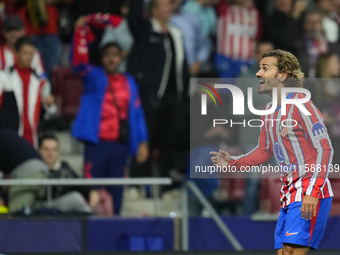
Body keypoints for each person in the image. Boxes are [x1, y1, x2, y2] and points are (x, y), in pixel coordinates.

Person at [211, 49, 333, 254]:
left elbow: (325, 148)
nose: (258, 74)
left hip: (309, 191)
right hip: (289, 192)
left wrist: (312, 191)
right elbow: (264, 151)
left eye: (265, 69)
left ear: (283, 75)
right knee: (284, 253)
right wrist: (234, 163)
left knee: (290, 252)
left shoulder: (301, 104)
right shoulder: (269, 112)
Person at [71, 15, 149, 215]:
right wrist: (79, 32)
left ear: (121, 56)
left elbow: (137, 113)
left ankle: (114, 230)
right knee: (93, 191)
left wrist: (142, 141)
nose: (111, 58)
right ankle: (90, 233)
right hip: (96, 143)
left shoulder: (129, 81)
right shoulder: (93, 76)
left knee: (117, 191)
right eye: (107, 55)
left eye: (115, 54)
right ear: (102, 57)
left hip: (120, 145)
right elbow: (78, 63)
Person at [127, 0, 190, 182]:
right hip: (150, 97)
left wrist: (183, 94)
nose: (170, 8)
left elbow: (181, 67)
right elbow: (133, 15)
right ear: (153, 11)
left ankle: (167, 185)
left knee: (169, 143)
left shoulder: (176, 33)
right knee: (144, 139)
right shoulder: (145, 31)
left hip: (173, 98)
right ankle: (135, 183)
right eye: (165, 5)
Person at [235, 41, 274, 215]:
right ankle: (247, 221)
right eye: (261, 53)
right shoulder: (244, 79)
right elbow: (235, 109)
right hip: (253, 138)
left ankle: (277, 219)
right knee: (253, 181)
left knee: (277, 181)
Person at [0, 36, 55, 147]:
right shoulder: (4, 77)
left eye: (31, 53)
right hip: (9, 138)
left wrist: (49, 103)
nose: (29, 57)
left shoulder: (41, 81)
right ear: (16, 53)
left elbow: (51, 110)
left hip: (32, 138)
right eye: (25, 53)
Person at [39, 132, 100, 213]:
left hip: (68, 209)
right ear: (39, 150)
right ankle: (91, 220)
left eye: (54, 150)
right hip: (46, 206)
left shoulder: (64, 166)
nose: (50, 154)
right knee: (75, 198)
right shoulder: (36, 169)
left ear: (58, 151)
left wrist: (91, 191)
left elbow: (78, 181)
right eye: (46, 149)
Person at [0, 128, 49, 213]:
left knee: (17, 214)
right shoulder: (5, 133)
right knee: (33, 210)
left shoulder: (3, 136)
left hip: (28, 173)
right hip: (41, 170)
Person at [283, 10, 340, 78]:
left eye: (318, 22)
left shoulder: (334, 47)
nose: (315, 26)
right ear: (304, 25)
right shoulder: (297, 47)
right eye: (311, 23)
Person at [215, 0, 262, 78]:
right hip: (226, 61)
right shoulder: (224, 8)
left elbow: (258, 38)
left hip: (248, 63)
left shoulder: (255, 14)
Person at [171, 0, 210, 77]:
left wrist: (198, 63)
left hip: (189, 70)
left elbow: (203, 45)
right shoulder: (152, 20)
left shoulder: (191, 18)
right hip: (163, 71)